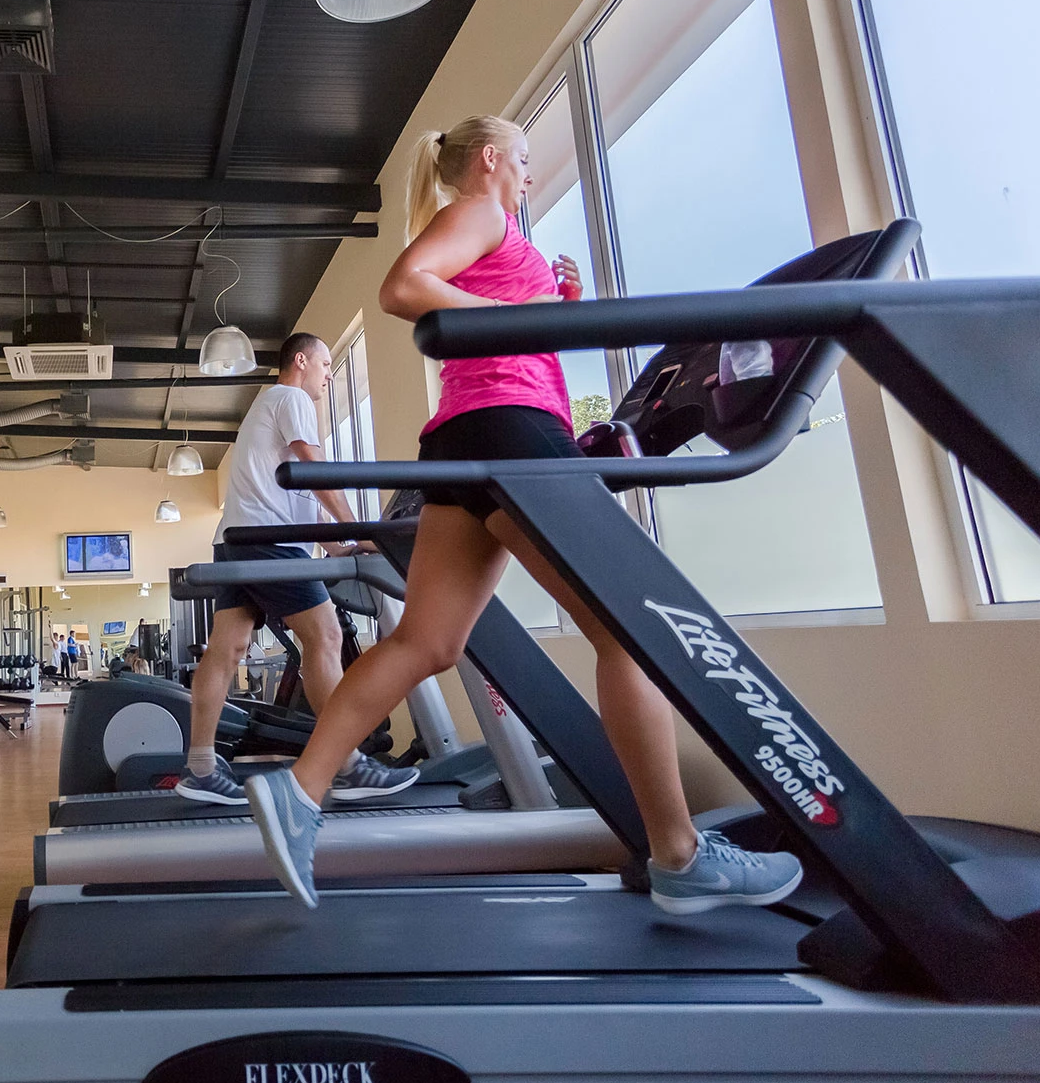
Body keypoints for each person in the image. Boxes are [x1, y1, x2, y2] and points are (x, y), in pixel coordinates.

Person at [244, 114, 804, 915]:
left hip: (467, 434)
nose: (533, 174)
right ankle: (679, 854)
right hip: (513, 431)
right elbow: (404, 288)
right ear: (492, 158)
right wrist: (499, 308)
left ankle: (300, 791)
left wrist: (548, 301)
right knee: (626, 632)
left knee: (428, 641)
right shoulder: (484, 212)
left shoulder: (500, 235)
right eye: (527, 158)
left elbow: (493, 324)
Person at [174, 332, 421, 806]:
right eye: (326, 365)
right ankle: (348, 765)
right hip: (269, 543)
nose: (329, 375)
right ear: (302, 361)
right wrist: (359, 529)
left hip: (238, 539)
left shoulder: (268, 408)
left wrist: (340, 548)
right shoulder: (291, 398)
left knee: (227, 648)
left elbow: (300, 499)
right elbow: (314, 468)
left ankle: (200, 767)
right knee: (325, 637)